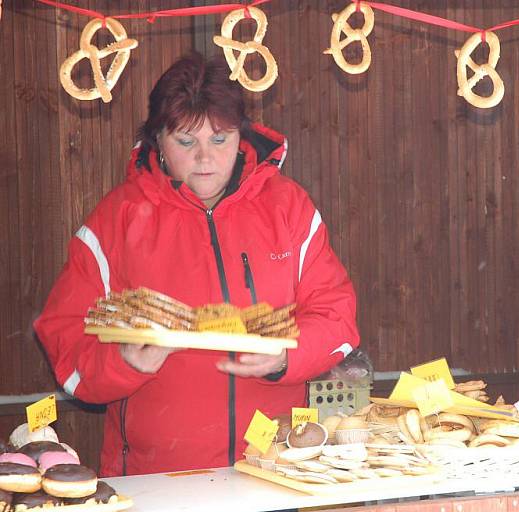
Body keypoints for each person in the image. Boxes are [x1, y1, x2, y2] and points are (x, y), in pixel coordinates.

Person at [34, 53, 360, 476]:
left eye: (220, 139)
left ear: (241, 136)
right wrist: (123, 362)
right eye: (186, 142)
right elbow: (66, 342)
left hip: (280, 471)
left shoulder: (288, 209)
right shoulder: (116, 221)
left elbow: (337, 317)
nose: (205, 159)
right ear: (158, 141)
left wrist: (285, 356)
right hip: (158, 482)